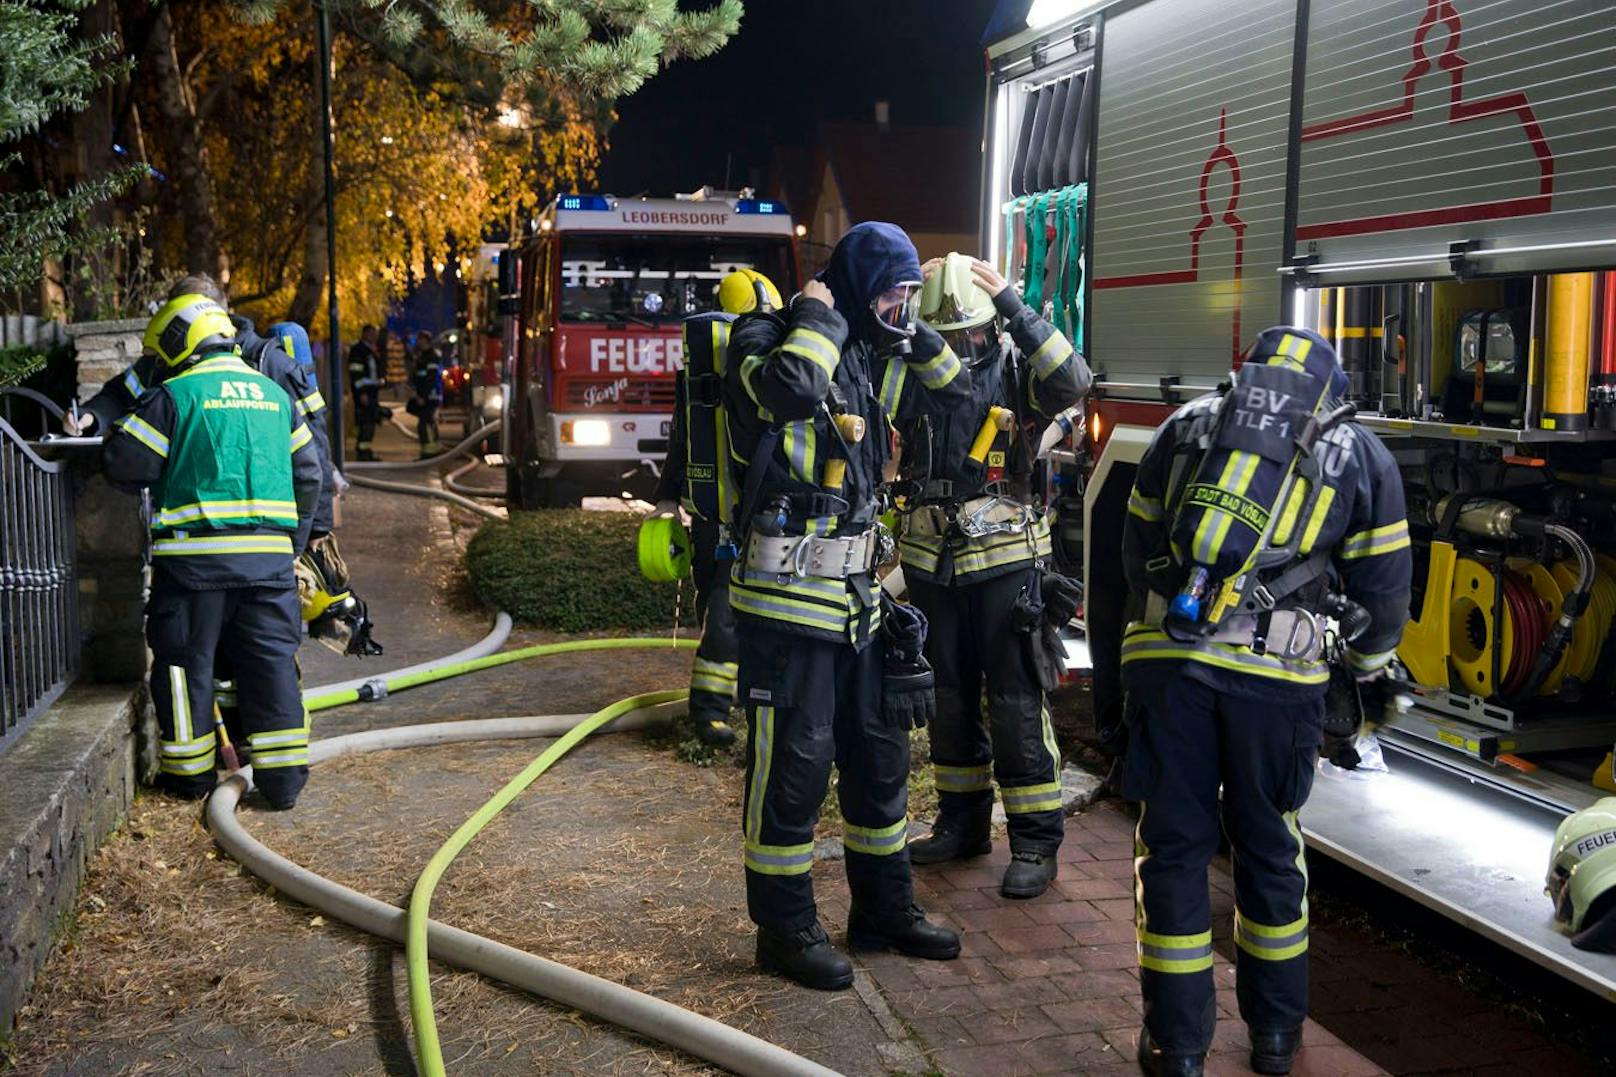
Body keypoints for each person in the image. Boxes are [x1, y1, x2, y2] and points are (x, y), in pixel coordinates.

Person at [1119, 326, 1412, 1076]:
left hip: (1170, 663)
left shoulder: (1188, 423)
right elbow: (1382, 594)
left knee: (1174, 849)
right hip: (1277, 681)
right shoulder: (1358, 453)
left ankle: (1176, 1046)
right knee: (1269, 846)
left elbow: (1137, 540)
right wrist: (1368, 673)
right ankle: (1276, 1038)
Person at [722, 222, 971, 991]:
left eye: (908, 294)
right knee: (795, 767)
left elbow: (953, 383)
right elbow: (793, 389)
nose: (903, 307)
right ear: (855, 285)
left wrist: (902, 315)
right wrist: (823, 312)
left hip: (859, 603)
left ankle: (884, 909)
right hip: (789, 601)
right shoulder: (766, 336)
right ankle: (785, 927)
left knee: (879, 757)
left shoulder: (868, 351)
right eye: (892, 291)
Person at [895, 252, 1091, 899]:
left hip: (1007, 564)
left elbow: (1073, 378)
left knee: (1013, 703)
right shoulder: (913, 370)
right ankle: (962, 822)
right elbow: (871, 384)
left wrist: (1012, 299)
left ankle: (1036, 839)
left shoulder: (1016, 370)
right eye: (946, 334)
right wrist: (897, 309)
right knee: (948, 699)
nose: (959, 344)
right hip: (931, 562)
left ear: (992, 326)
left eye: (971, 331)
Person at [102, 294, 323, 809]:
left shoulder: (175, 395)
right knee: (271, 664)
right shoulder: (274, 395)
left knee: (185, 669)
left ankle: (190, 779)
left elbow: (123, 464)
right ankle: (285, 781)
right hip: (269, 567)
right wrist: (286, 543)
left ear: (180, 342)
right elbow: (308, 473)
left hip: (193, 570)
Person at [647, 268, 783, 747]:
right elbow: (686, 437)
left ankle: (733, 701)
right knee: (725, 613)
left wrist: (667, 498)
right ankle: (709, 713)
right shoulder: (749, 374)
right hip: (740, 517)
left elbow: (680, 439)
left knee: (725, 609)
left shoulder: (706, 377)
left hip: (720, 514)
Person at [349, 325, 383, 461]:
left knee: (370, 421)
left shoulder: (370, 350)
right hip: (364, 394)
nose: (375, 337)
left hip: (372, 392)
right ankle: (363, 452)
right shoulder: (358, 350)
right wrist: (362, 393)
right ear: (365, 334)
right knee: (366, 422)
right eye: (372, 334)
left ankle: (366, 450)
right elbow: (356, 374)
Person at [410, 332, 444, 458]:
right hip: (426, 394)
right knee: (427, 423)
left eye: (421, 340)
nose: (419, 342)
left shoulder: (431, 356)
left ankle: (430, 452)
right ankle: (430, 450)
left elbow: (431, 378)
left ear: (426, 341)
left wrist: (423, 396)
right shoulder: (423, 356)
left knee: (425, 424)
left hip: (429, 395)